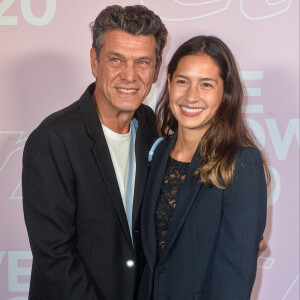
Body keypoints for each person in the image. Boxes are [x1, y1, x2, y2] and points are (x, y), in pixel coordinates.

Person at [22, 5, 167, 300]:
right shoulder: (53, 140)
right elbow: (55, 257)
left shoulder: (149, 124)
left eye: (142, 62)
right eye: (116, 60)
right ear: (94, 61)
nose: (130, 75)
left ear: (155, 70)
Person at [138, 35, 269, 300]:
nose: (191, 96)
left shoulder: (241, 163)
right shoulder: (158, 151)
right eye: (182, 81)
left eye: (206, 84)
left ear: (226, 92)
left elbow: (234, 278)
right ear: (170, 82)